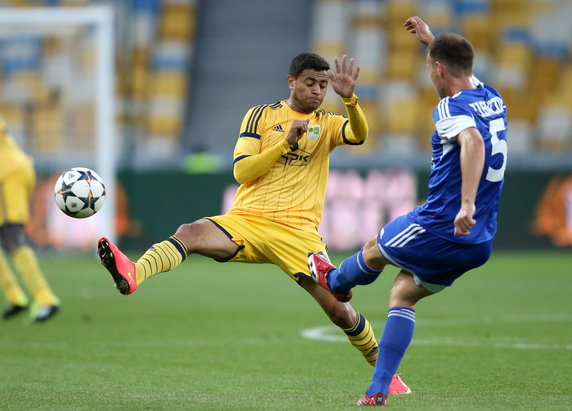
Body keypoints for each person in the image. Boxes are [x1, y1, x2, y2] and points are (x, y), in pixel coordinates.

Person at [97, 52, 410, 395]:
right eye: (310, 83)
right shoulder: (261, 115)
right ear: (291, 82)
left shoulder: (329, 122)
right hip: (247, 220)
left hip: (298, 232)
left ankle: (387, 374)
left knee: (339, 310)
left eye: (323, 85)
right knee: (190, 233)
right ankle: (133, 274)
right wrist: (284, 144)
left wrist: (350, 99)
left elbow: (359, 134)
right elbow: (241, 171)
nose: (318, 91)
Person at [308, 16, 508, 407]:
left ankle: (334, 282)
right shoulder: (492, 95)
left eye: (432, 66)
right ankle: (377, 391)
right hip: (479, 240)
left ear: (437, 69)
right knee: (402, 295)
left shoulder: (450, 109)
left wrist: (465, 202)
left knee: (372, 250)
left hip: (441, 224)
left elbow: (472, 141)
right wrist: (432, 42)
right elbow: (462, 86)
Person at [0, 115, 61, 322]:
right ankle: (14, 296)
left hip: (6, 173)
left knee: (11, 235)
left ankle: (45, 298)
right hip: (14, 168)